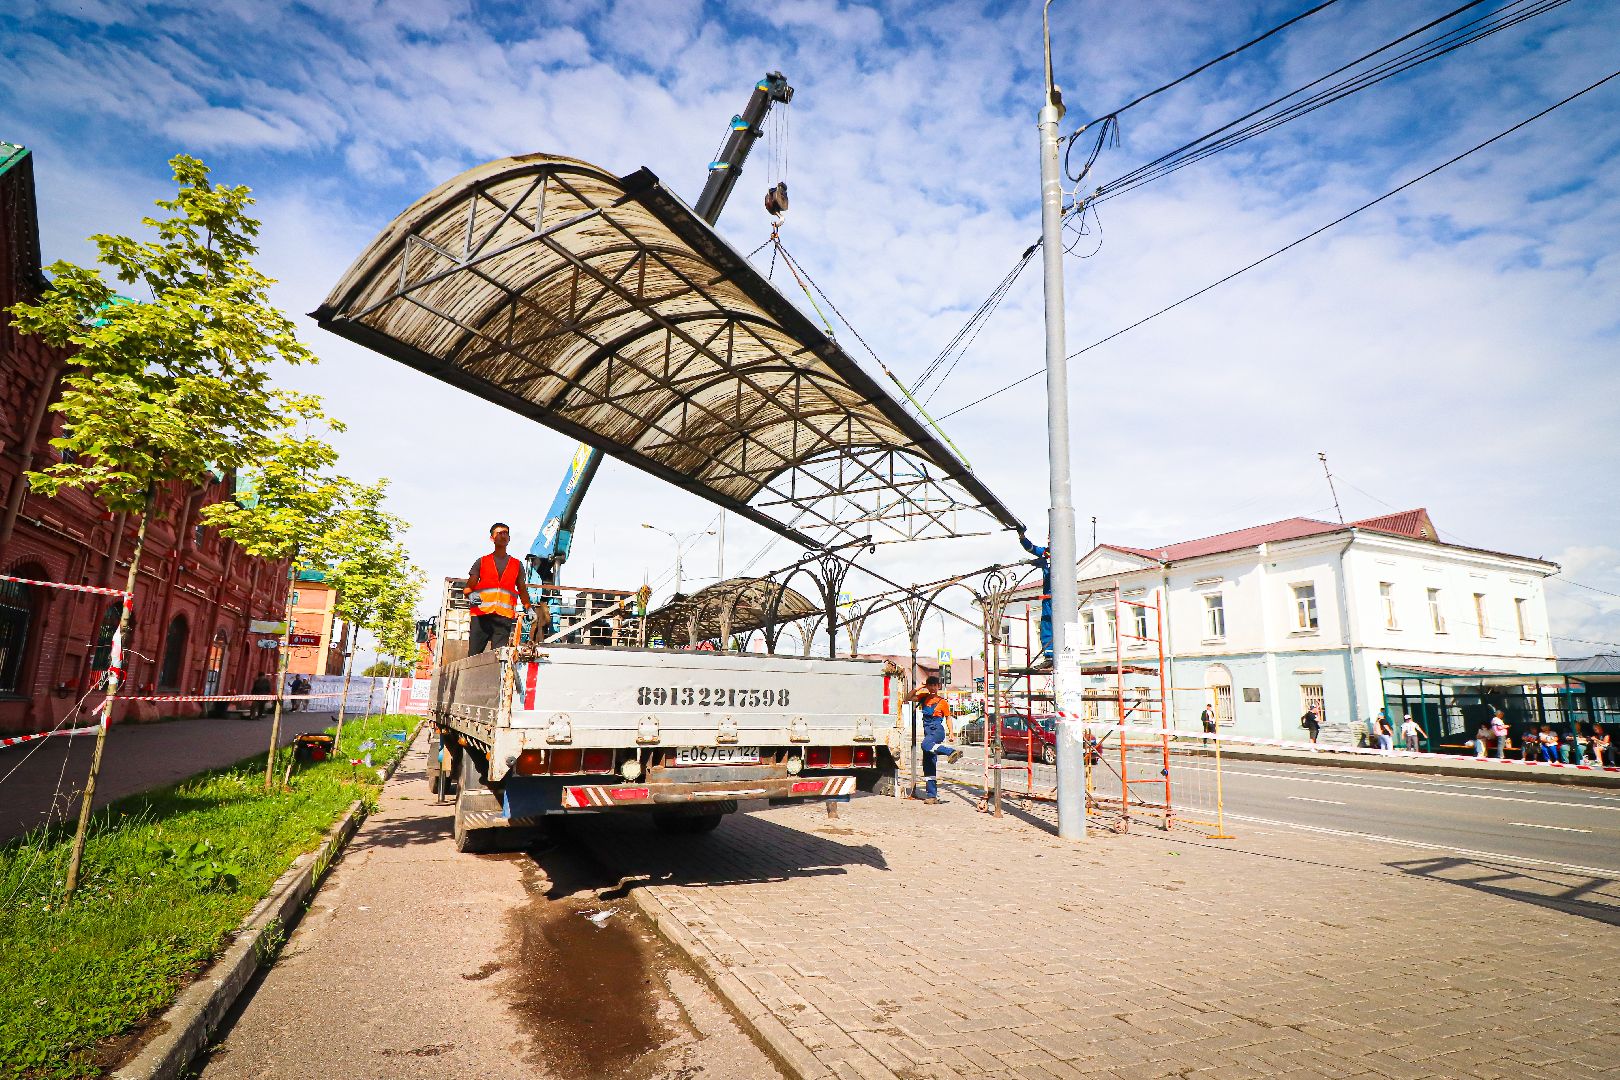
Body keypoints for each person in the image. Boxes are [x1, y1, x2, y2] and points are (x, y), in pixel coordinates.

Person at [466, 522, 535, 656]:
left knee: (499, 657)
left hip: (503, 618)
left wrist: (529, 608)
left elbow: (522, 589)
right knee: (474, 655)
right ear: (492, 538)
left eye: (506, 533)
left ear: (509, 538)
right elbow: (468, 587)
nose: (503, 536)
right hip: (481, 616)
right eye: (499, 533)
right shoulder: (482, 561)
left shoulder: (517, 564)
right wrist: (470, 595)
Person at [908, 674, 963, 804]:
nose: (933, 688)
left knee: (925, 745)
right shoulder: (923, 698)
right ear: (927, 686)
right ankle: (932, 796)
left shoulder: (943, 702)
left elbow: (948, 718)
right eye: (930, 685)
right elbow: (908, 697)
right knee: (929, 764)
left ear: (938, 686)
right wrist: (920, 687)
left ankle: (950, 752)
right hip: (928, 733)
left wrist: (951, 733)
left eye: (935, 685)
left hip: (937, 731)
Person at [1016, 532, 1053, 669]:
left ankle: (1058, 653)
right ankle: (1049, 656)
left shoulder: (1062, 553)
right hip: (1048, 596)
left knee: (1058, 624)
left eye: (1050, 537)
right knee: (1046, 625)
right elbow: (1031, 548)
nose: (1048, 539)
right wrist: (1022, 537)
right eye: (1048, 537)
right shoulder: (1046, 553)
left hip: (1060, 596)